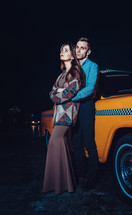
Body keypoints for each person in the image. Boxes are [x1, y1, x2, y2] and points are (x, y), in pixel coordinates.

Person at [43, 43, 85, 195]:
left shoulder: (75, 72)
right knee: (60, 144)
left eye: (66, 50)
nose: (62, 52)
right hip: (58, 114)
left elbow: (70, 93)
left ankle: (62, 184)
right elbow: (51, 94)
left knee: (55, 141)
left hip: (68, 113)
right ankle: (64, 184)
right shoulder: (61, 75)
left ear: (73, 55)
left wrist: (60, 93)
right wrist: (59, 92)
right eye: (61, 49)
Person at [72, 37, 100, 191]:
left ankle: (92, 175)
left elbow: (90, 88)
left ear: (88, 52)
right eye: (77, 47)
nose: (78, 50)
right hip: (73, 107)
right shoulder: (72, 66)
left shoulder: (93, 66)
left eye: (82, 48)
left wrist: (71, 97)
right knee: (76, 142)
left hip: (86, 105)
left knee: (89, 142)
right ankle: (81, 174)